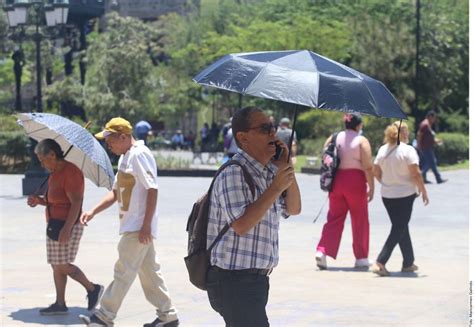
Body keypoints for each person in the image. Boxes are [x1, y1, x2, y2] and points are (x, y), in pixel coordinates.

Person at [78, 117, 179, 327]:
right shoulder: (126, 158)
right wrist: (93, 211)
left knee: (123, 271)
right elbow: (115, 194)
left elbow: (152, 189)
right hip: (135, 226)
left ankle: (104, 316)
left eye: (110, 141)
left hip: (138, 227)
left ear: (123, 137)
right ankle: (168, 316)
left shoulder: (140, 155)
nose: (109, 145)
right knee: (150, 274)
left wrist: (146, 226)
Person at [206, 106, 302, 326]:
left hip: (256, 280)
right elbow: (241, 224)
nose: (273, 134)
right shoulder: (234, 172)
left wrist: (285, 166)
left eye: (273, 127)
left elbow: (294, 208)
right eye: (265, 128)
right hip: (233, 280)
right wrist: (275, 188)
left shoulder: (269, 171)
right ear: (243, 137)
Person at [27, 139, 103, 315]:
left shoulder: (71, 172)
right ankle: (60, 304)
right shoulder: (54, 172)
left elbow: (76, 202)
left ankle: (93, 289)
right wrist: (39, 201)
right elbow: (55, 200)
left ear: (52, 155)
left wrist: (67, 229)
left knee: (62, 264)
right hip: (54, 224)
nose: (41, 163)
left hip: (68, 224)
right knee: (56, 265)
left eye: (42, 159)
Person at [315, 113, 374, 270]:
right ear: (359, 125)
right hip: (356, 181)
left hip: (336, 181)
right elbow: (368, 166)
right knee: (359, 219)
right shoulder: (361, 140)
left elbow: (326, 155)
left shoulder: (334, 137)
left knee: (334, 218)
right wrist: (372, 186)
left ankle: (322, 251)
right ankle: (361, 257)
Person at [372, 122, 429, 276]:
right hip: (405, 195)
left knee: (401, 225)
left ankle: (408, 262)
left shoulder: (383, 150)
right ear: (402, 133)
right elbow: (416, 173)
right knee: (399, 227)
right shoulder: (408, 150)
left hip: (387, 195)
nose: (408, 134)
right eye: (407, 132)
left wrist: (386, 182)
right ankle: (380, 262)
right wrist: (423, 190)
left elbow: (375, 171)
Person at [416, 111, 447, 184]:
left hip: (428, 147)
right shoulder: (425, 124)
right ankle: (436, 178)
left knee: (429, 163)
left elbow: (430, 137)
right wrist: (418, 145)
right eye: (433, 118)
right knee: (431, 162)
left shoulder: (428, 124)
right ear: (430, 117)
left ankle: (424, 178)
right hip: (425, 147)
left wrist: (437, 141)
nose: (434, 120)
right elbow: (419, 134)